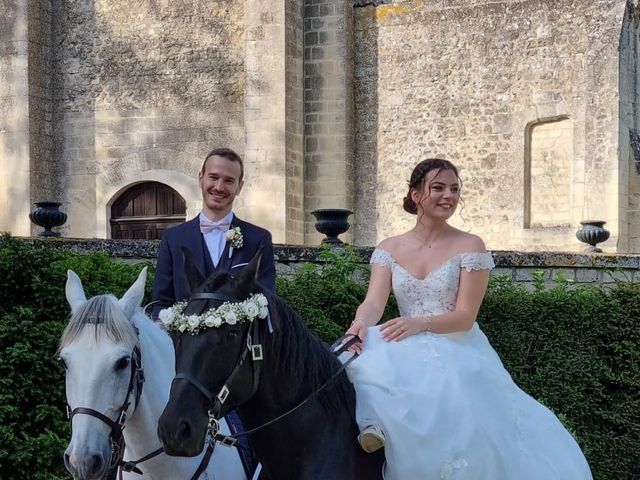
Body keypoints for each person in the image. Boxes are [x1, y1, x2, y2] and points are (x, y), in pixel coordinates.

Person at [344, 159, 593, 479]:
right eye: (438, 188)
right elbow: (373, 303)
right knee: (356, 356)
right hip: (405, 335)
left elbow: (464, 317)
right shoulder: (389, 247)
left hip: (455, 343)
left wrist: (420, 323)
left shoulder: (470, 245)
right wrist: (359, 326)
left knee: (449, 396)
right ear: (416, 194)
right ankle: (374, 428)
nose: (448, 195)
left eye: (454, 189)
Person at [152, 147, 276, 320]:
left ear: (239, 187)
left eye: (228, 181)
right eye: (213, 177)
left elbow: (265, 303)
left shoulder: (259, 240)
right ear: (200, 178)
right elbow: (160, 305)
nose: (219, 187)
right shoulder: (173, 239)